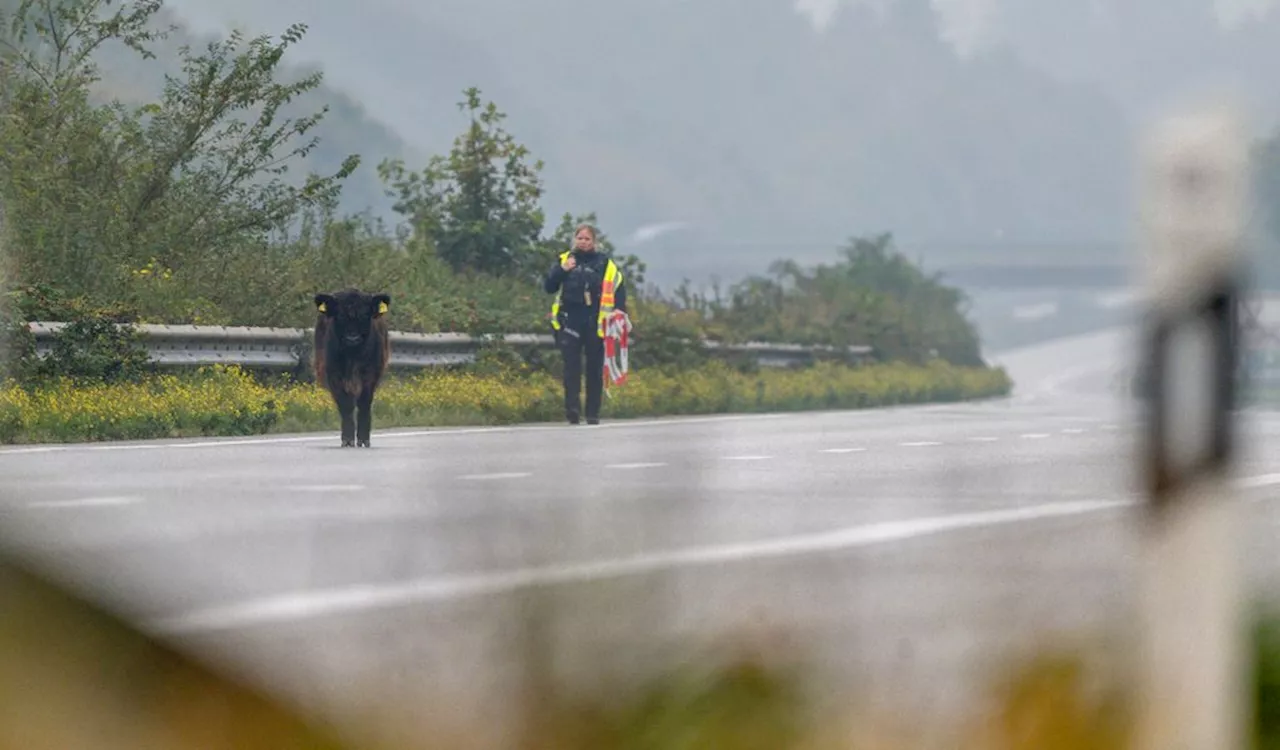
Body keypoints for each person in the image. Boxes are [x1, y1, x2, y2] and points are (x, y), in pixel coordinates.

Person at [543, 223, 628, 425]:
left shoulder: (605, 264)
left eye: (587, 239)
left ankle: (592, 413)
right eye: (579, 238)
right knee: (571, 368)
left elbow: (619, 289)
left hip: (595, 323)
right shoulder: (565, 259)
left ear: (594, 242)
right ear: (574, 240)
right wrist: (562, 271)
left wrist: (619, 309)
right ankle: (572, 411)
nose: (583, 242)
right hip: (569, 319)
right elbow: (549, 287)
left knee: (594, 370)